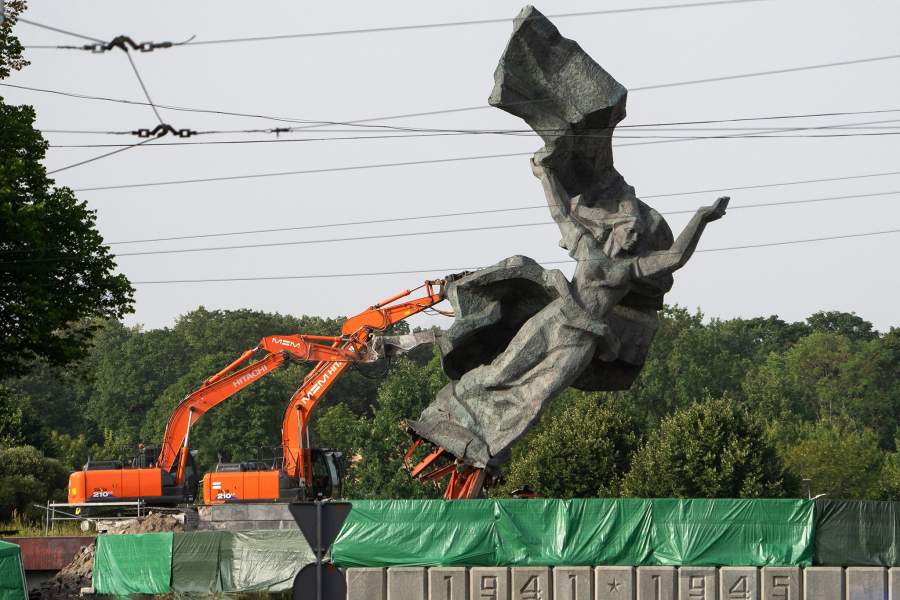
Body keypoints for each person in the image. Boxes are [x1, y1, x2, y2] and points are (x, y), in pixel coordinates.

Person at [408, 156, 729, 470]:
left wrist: (701, 218)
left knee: (538, 397)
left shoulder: (631, 268)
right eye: (629, 229)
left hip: (581, 341)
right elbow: (560, 212)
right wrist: (545, 175)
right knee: (501, 371)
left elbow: (674, 257)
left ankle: (490, 443)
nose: (633, 236)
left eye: (637, 233)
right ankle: (447, 413)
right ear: (614, 229)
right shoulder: (587, 247)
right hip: (554, 321)